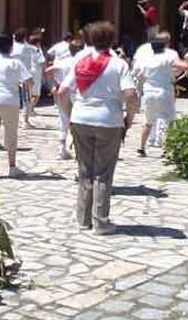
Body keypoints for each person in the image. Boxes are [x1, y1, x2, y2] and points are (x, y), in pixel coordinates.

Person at [58, 21, 138, 235]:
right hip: (108, 121)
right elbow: (131, 95)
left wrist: (68, 115)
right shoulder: (118, 64)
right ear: (112, 40)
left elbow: (62, 92)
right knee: (103, 172)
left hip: (80, 118)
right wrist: (128, 119)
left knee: (85, 171)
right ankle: (101, 222)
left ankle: (83, 219)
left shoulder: (79, 60)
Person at [0, 33, 32, 179]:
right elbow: (29, 81)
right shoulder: (16, 63)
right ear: (11, 47)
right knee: (11, 134)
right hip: (10, 100)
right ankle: (12, 166)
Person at [135, 38, 188, 157]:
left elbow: (139, 76)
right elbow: (183, 66)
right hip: (164, 91)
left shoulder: (146, 60)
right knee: (168, 120)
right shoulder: (167, 57)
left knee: (148, 121)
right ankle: (166, 150)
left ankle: (141, 148)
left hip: (149, 92)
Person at [44, 38, 84, 160]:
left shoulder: (63, 61)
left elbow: (48, 70)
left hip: (63, 91)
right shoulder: (82, 61)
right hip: (77, 93)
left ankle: (61, 148)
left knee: (63, 119)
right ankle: (78, 146)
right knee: (78, 120)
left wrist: (52, 85)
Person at [10, 28, 37, 126]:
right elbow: (35, 50)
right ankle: (24, 121)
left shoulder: (12, 47)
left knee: (13, 97)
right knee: (27, 99)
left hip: (12, 75)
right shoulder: (27, 47)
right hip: (24, 75)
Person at [27, 31, 46, 114]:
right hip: (36, 72)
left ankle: (30, 109)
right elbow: (42, 61)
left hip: (28, 72)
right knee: (36, 93)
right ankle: (30, 109)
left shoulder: (26, 49)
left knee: (29, 92)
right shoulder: (37, 50)